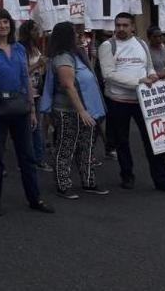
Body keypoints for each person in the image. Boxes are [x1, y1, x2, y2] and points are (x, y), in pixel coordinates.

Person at [0, 8, 55, 216]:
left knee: (27, 156)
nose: (3, 26)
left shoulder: (19, 48)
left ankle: (35, 198)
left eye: (5, 22)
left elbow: (25, 79)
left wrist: (31, 110)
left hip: (20, 107)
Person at [98, 13, 165, 193]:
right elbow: (108, 75)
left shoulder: (142, 44)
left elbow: (148, 65)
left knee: (154, 139)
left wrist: (151, 74)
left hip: (144, 100)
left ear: (133, 26)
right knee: (122, 141)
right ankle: (127, 175)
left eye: (125, 25)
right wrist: (139, 82)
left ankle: (162, 179)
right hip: (118, 100)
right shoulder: (107, 46)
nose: (121, 28)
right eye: (118, 25)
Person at [43, 22, 109, 199]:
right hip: (68, 111)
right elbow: (68, 85)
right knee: (66, 147)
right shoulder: (63, 57)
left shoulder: (76, 54)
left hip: (86, 110)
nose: (79, 36)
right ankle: (63, 184)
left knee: (86, 147)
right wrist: (81, 111)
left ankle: (89, 181)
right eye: (75, 33)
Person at [18, 19, 52, 173]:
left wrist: (43, 66)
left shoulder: (35, 47)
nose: (38, 32)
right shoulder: (22, 49)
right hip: (27, 92)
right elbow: (23, 71)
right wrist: (37, 65)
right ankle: (35, 159)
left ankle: (34, 157)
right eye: (35, 29)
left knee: (36, 126)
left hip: (37, 90)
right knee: (32, 127)